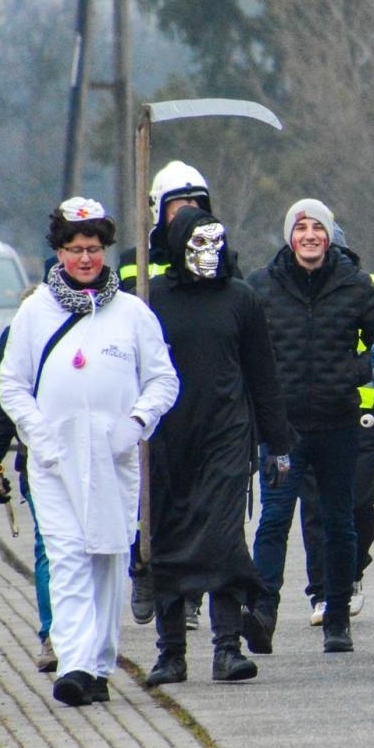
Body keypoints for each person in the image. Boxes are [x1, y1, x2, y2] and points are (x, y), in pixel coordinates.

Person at [0, 197, 179, 707]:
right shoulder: (35, 312)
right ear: (58, 252)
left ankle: (98, 663)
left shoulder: (132, 314)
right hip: (54, 461)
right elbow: (11, 385)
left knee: (107, 557)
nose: (85, 259)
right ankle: (74, 663)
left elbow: (163, 380)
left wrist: (136, 424)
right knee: (67, 556)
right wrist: (38, 434)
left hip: (113, 458)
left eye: (94, 249)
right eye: (75, 249)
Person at [143, 207, 295, 687]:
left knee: (224, 538)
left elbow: (262, 373)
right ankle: (170, 653)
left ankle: (227, 648)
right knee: (167, 537)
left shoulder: (241, 300)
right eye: (197, 245)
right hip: (166, 437)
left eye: (215, 244)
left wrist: (278, 443)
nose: (208, 255)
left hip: (228, 436)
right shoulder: (151, 300)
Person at [245, 198, 374, 655]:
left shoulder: (356, 286)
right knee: (274, 519)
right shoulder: (261, 287)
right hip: (282, 430)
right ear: (289, 236)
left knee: (339, 523)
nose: (309, 235)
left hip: (339, 424)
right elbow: (245, 350)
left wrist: (353, 371)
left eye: (317, 228)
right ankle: (263, 611)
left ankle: (337, 616)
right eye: (300, 227)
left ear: (329, 236)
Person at [119, 160, 216, 631]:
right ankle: (144, 567)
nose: (189, 214)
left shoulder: (211, 255)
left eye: (197, 205)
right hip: (150, 400)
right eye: (180, 205)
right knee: (151, 496)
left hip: (199, 394)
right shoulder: (133, 265)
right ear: (159, 210)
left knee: (196, 501)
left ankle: (190, 593)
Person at [0, 304, 55, 673]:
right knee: (49, 548)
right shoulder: (21, 334)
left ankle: (84, 636)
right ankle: (53, 635)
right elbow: (4, 407)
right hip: (42, 464)